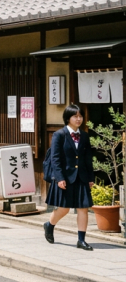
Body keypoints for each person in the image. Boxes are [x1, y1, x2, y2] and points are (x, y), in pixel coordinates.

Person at [44, 104, 96, 250]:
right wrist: (60, 178)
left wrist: (90, 177)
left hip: (81, 176)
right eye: (75, 116)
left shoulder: (84, 135)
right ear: (68, 118)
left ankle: (81, 240)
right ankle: (49, 225)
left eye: (80, 116)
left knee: (83, 208)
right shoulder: (59, 135)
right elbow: (55, 158)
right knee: (64, 209)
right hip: (65, 177)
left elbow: (87, 158)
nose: (79, 119)